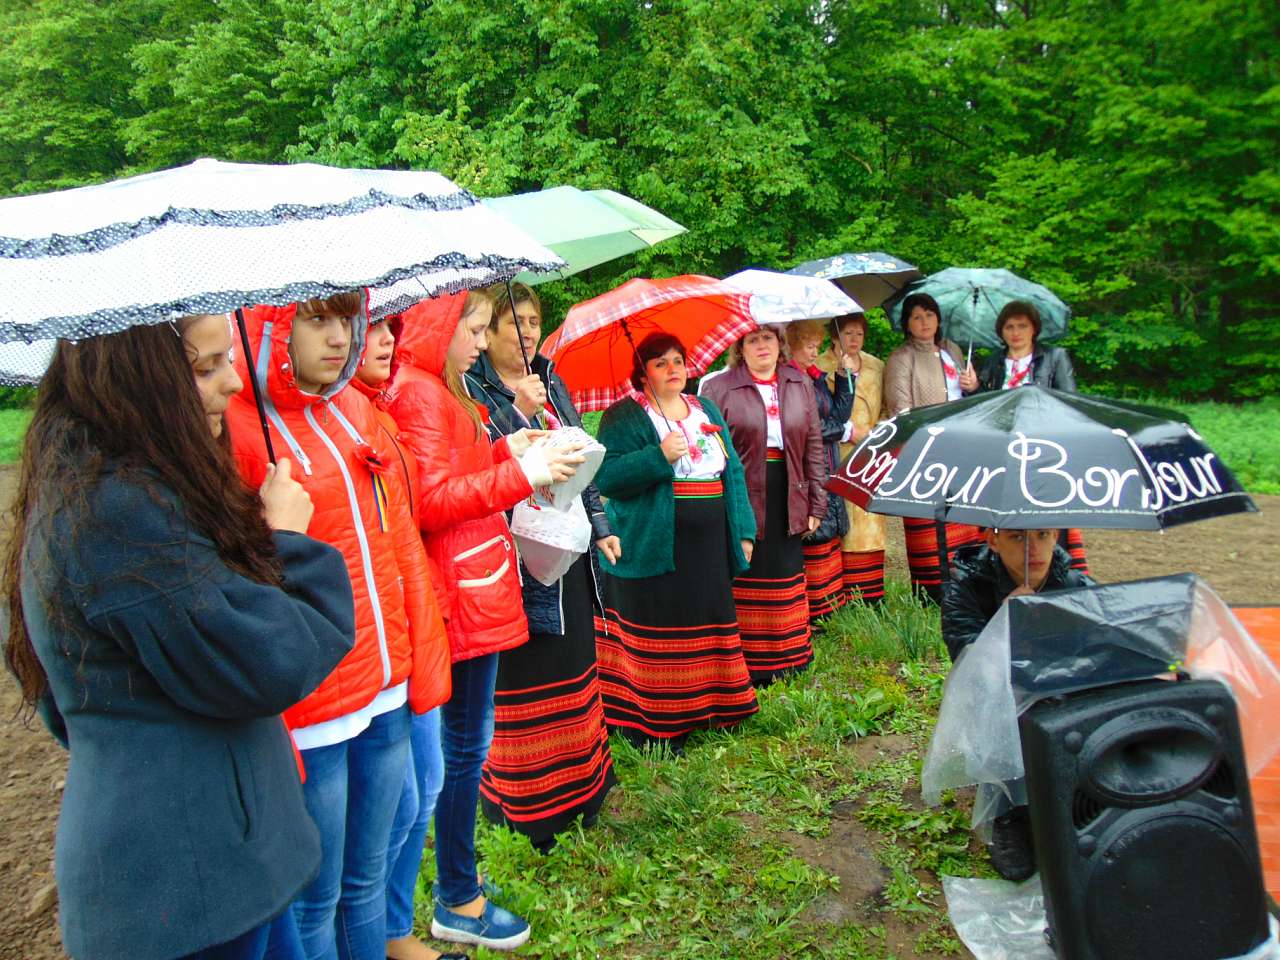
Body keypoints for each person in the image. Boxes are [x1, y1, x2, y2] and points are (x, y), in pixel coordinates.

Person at [2, 315, 357, 960]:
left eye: (226, 360)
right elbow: (270, 662)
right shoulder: (118, 512)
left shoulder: (112, 488)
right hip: (186, 889)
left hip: (222, 866)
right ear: (137, 382)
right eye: (204, 367)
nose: (230, 383)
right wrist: (286, 541)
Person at [226, 293, 451, 960]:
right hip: (317, 706)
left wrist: (418, 659)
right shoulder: (239, 431)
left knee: (368, 875)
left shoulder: (356, 409)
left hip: (384, 684)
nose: (338, 337)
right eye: (315, 319)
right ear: (270, 327)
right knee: (315, 897)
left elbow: (398, 543)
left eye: (344, 319)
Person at [386, 289, 585, 953]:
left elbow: (456, 467)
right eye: (470, 329)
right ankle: (457, 896)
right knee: (461, 748)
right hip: (459, 587)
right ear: (436, 327)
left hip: (476, 581)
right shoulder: (417, 393)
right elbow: (432, 500)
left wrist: (506, 452)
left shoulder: (441, 390)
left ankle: (457, 887)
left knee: (465, 746)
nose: (478, 341)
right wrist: (522, 473)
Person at [462, 282, 617, 851]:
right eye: (515, 322)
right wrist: (516, 412)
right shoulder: (468, 386)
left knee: (573, 653)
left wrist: (602, 526)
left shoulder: (551, 374)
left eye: (533, 321)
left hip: (567, 541)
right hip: (514, 553)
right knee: (528, 663)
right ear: (489, 335)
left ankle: (582, 784)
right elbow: (478, 467)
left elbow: (580, 449)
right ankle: (532, 803)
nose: (528, 331)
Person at [350, 316, 463, 960]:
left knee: (420, 790)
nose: (381, 340)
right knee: (390, 811)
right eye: (368, 330)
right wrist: (515, 472)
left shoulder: (377, 414)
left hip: (408, 623)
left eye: (387, 327)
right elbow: (430, 506)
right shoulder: (370, 415)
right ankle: (386, 936)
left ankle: (393, 932)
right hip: (377, 641)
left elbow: (405, 521)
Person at [594, 332, 759, 750]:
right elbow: (607, 478)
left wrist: (743, 530)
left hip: (707, 546)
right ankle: (662, 723)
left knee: (707, 621)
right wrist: (659, 456)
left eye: (678, 361)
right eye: (660, 363)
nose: (673, 370)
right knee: (663, 627)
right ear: (642, 372)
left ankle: (713, 708)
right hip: (652, 542)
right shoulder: (624, 417)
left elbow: (733, 472)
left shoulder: (704, 408)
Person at [941, 526, 1095, 881]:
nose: (1033, 548)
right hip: (997, 701)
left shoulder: (1076, 587)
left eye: (1042, 534)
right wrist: (1004, 623)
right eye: (1017, 537)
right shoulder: (967, 587)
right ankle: (1006, 810)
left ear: (1057, 536)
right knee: (995, 697)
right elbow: (968, 667)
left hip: (1058, 702)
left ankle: (1066, 791)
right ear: (993, 540)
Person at [701, 325, 826, 684]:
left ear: (780, 343)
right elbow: (713, 449)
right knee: (748, 570)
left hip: (790, 489)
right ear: (740, 347)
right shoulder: (719, 386)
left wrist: (817, 503)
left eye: (768, 338)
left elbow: (814, 444)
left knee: (784, 569)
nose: (761, 346)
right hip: (742, 491)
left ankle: (789, 658)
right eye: (752, 339)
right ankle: (749, 662)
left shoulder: (797, 382)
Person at [882, 292, 983, 603]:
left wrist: (973, 388)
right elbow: (901, 410)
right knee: (930, 523)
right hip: (926, 452)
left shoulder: (953, 350)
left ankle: (968, 584)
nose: (924, 322)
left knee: (964, 520)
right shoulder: (902, 358)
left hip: (963, 449)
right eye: (916, 317)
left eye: (929, 314)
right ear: (907, 324)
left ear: (938, 318)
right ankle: (932, 593)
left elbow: (970, 401)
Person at [976, 300, 1088, 574]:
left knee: (1045, 512)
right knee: (1008, 512)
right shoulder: (993, 362)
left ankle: (1056, 572)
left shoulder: (1055, 357)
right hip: (1002, 451)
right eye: (1010, 326)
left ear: (1034, 329)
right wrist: (974, 388)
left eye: (1022, 326)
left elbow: (1069, 401)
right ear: (1001, 331)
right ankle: (1012, 569)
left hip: (1044, 450)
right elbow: (983, 408)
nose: (1016, 332)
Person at [815, 313, 888, 604]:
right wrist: (847, 433)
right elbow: (820, 414)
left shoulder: (876, 366)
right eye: (847, 334)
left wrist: (878, 432)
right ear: (834, 336)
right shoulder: (820, 367)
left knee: (871, 518)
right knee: (845, 519)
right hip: (836, 452)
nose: (854, 339)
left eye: (859, 334)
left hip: (871, 451)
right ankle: (842, 593)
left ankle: (871, 596)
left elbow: (885, 407)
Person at [784, 319, 854, 620]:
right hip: (808, 463)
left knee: (830, 527)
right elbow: (806, 427)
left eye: (816, 345)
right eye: (810, 346)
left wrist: (844, 376)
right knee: (815, 528)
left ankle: (831, 608)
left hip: (828, 459)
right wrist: (844, 431)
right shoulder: (789, 380)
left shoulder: (813, 378)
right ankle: (814, 610)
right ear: (793, 345)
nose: (816, 352)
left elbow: (838, 413)